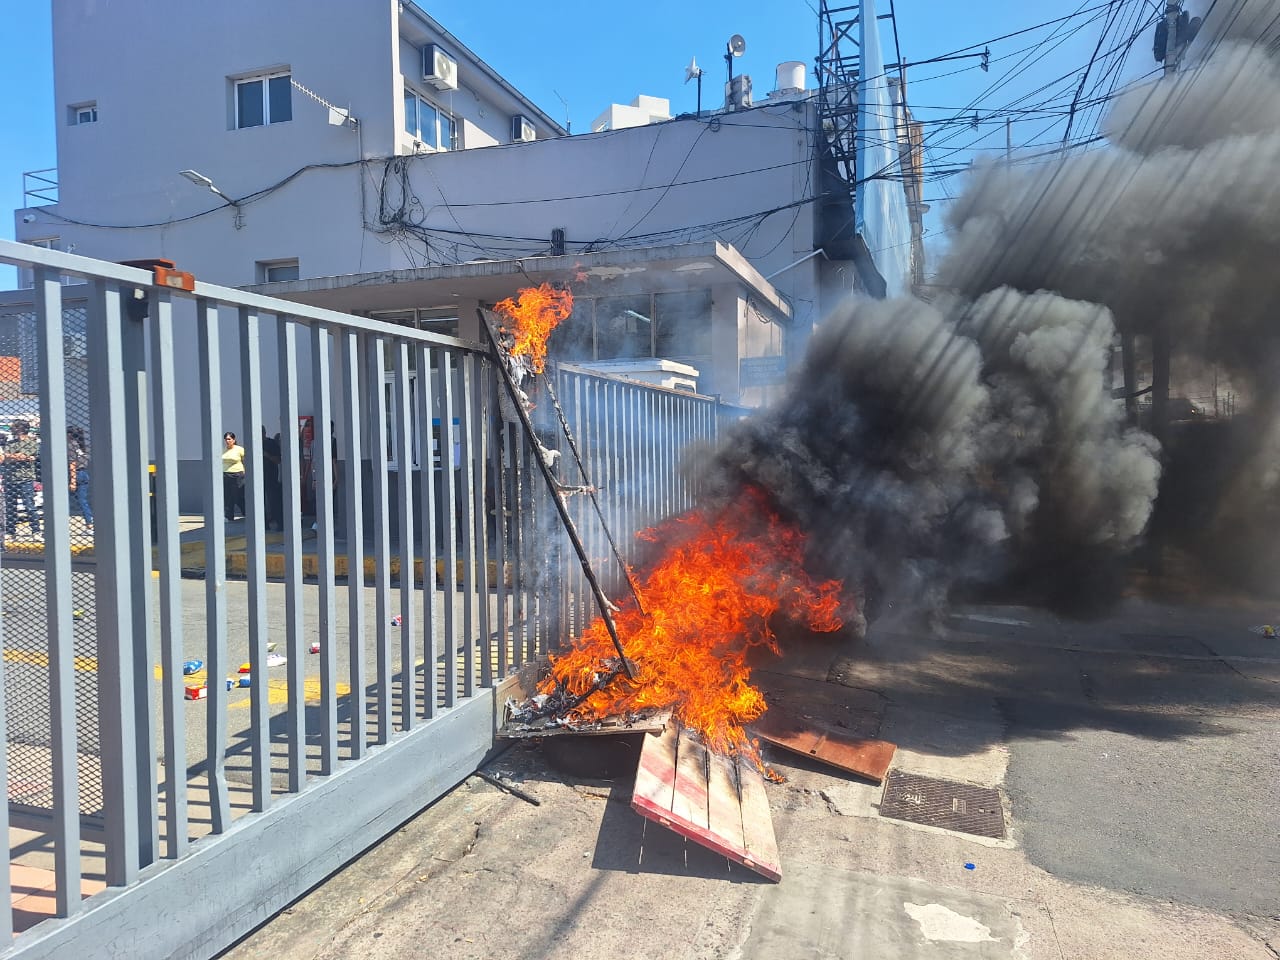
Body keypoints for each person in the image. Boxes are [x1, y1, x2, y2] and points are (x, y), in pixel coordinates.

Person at [3, 419, 42, 540]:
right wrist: (17, 457)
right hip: (10, 479)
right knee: (10, 507)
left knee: (29, 506)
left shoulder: (32, 443)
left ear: (21, 428)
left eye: (15, 427)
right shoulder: (10, 443)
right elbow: (5, 458)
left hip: (25, 478)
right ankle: (11, 531)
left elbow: (24, 456)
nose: (12, 429)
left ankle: (36, 531)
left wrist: (13, 456)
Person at [67, 426, 93, 531]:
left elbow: (72, 464)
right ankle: (89, 523)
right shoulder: (82, 445)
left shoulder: (70, 445)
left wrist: (72, 481)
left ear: (69, 435)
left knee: (67, 499)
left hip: (75, 474)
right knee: (83, 500)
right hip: (84, 473)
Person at [261, 425, 284, 531]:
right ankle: (264, 524)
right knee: (260, 502)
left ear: (264, 433)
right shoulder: (255, 444)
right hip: (259, 477)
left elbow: (278, 460)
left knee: (273, 500)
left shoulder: (271, 444)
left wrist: (268, 456)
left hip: (271, 476)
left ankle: (280, 523)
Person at [221, 431, 246, 521]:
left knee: (238, 495)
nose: (227, 441)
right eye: (226, 439)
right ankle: (229, 515)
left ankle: (245, 511)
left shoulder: (239, 449)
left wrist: (245, 472)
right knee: (227, 496)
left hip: (237, 474)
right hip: (225, 474)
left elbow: (245, 460)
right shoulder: (223, 450)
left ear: (233, 440)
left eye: (229, 439)